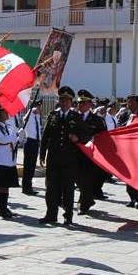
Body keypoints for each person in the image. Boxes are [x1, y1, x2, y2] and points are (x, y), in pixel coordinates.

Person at [39, 86, 88, 226]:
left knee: (68, 189)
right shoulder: (53, 114)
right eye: (61, 100)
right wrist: (42, 154)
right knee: (51, 188)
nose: (64, 102)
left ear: (71, 102)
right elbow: (45, 136)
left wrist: (77, 138)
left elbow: (86, 135)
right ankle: (51, 215)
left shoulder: (76, 116)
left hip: (69, 159)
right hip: (53, 158)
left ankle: (68, 216)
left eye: (67, 100)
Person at [75, 89, 106, 215]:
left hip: (89, 156)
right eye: (79, 103)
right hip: (74, 154)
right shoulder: (73, 116)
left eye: (83, 103)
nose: (80, 105)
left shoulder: (97, 120)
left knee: (86, 180)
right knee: (78, 179)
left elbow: (103, 137)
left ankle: (83, 204)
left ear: (89, 104)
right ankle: (88, 199)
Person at [119, 94, 138, 208]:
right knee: (128, 177)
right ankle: (132, 198)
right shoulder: (124, 115)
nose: (130, 104)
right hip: (127, 150)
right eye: (128, 102)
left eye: (132, 102)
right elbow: (119, 128)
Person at [0, 104, 19, 219]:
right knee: (0, 186)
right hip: (0, 160)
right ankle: (0, 209)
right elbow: (1, 140)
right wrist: (13, 137)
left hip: (9, 161)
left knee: (6, 186)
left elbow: (14, 142)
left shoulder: (9, 127)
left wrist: (19, 137)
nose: (6, 113)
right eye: (4, 111)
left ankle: (4, 207)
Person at [20, 100, 43, 195]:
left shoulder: (37, 116)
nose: (40, 109)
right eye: (38, 107)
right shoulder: (29, 116)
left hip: (36, 142)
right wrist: (31, 110)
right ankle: (26, 187)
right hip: (30, 141)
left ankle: (29, 186)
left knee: (32, 166)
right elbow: (24, 119)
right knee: (28, 166)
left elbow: (39, 128)